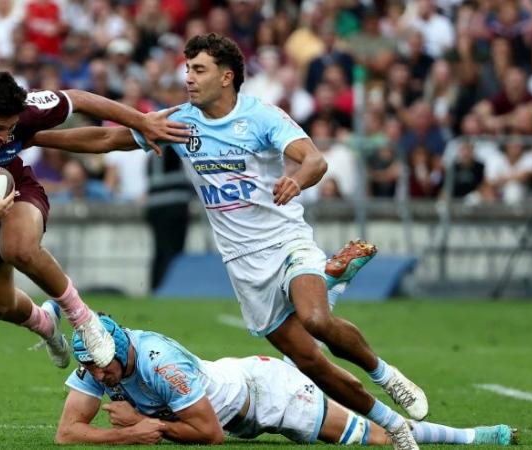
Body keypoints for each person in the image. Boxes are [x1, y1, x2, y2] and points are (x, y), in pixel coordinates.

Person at [33, 34, 426, 449]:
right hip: (242, 265)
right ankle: (392, 424)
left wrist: (296, 178)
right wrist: (35, 138)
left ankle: (385, 375)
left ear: (226, 77)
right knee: (310, 362)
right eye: (186, 69)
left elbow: (315, 159)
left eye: (198, 69)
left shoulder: (262, 117)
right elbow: (106, 140)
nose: (188, 77)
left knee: (314, 319)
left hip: (285, 241)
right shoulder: (181, 122)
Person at [0, 71, 189, 369]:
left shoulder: (28, 107)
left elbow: (79, 99)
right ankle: (45, 324)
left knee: (18, 248)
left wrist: (142, 121)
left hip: (14, 187)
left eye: (11, 127)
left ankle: (86, 321)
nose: (4, 136)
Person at [54, 312, 516, 446]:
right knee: (381, 432)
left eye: (103, 365)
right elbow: (66, 433)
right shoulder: (98, 356)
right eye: (92, 367)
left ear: (122, 347)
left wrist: (140, 428)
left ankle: (476, 437)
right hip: (239, 396)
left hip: (267, 394)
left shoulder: (161, 363)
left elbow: (210, 435)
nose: (99, 374)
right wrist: (118, 435)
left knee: (380, 439)